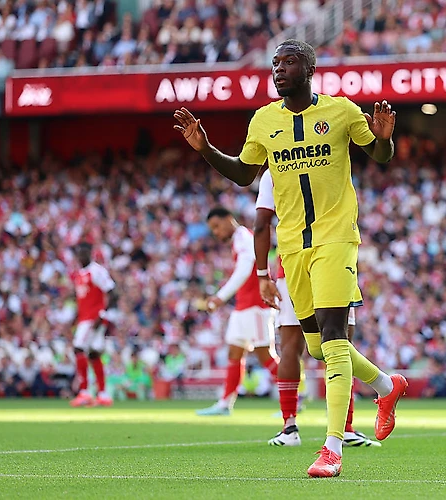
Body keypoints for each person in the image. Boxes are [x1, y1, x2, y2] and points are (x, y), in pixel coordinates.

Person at [173, 39, 407, 477]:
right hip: (293, 248)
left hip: (336, 239)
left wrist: (384, 139)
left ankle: (332, 448)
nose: (279, 69)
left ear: (310, 69)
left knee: (333, 338)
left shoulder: (341, 111)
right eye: (275, 63)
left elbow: (379, 155)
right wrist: (205, 149)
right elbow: (244, 173)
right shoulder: (264, 120)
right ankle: (385, 385)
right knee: (316, 347)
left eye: (290, 62)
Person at [254, 168, 380, 448]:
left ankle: (289, 427)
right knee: (341, 343)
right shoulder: (329, 158)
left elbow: (262, 222)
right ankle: (346, 427)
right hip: (333, 262)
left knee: (291, 347)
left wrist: (263, 275)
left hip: (292, 268)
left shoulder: (274, 171)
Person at [196, 207, 280, 416]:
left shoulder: (243, 237)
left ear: (229, 219)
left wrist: (220, 297)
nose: (216, 232)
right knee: (234, 352)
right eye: (212, 229)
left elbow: (244, 270)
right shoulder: (239, 239)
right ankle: (225, 403)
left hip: (256, 305)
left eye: (217, 226)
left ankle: (294, 398)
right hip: (243, 306)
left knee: (264, 354)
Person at [70, 242, 117, 407]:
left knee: (78, 348)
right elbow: (82, 299)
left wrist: (102, 315)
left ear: (90, 253)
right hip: (85, 317)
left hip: (93, 318)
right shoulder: (79, 274)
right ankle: (103, 394)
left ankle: (84, 392)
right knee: (94, 354)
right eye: (79, 252)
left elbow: (112, 293)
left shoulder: (97, 271)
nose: (81, 255)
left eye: (84, 252)